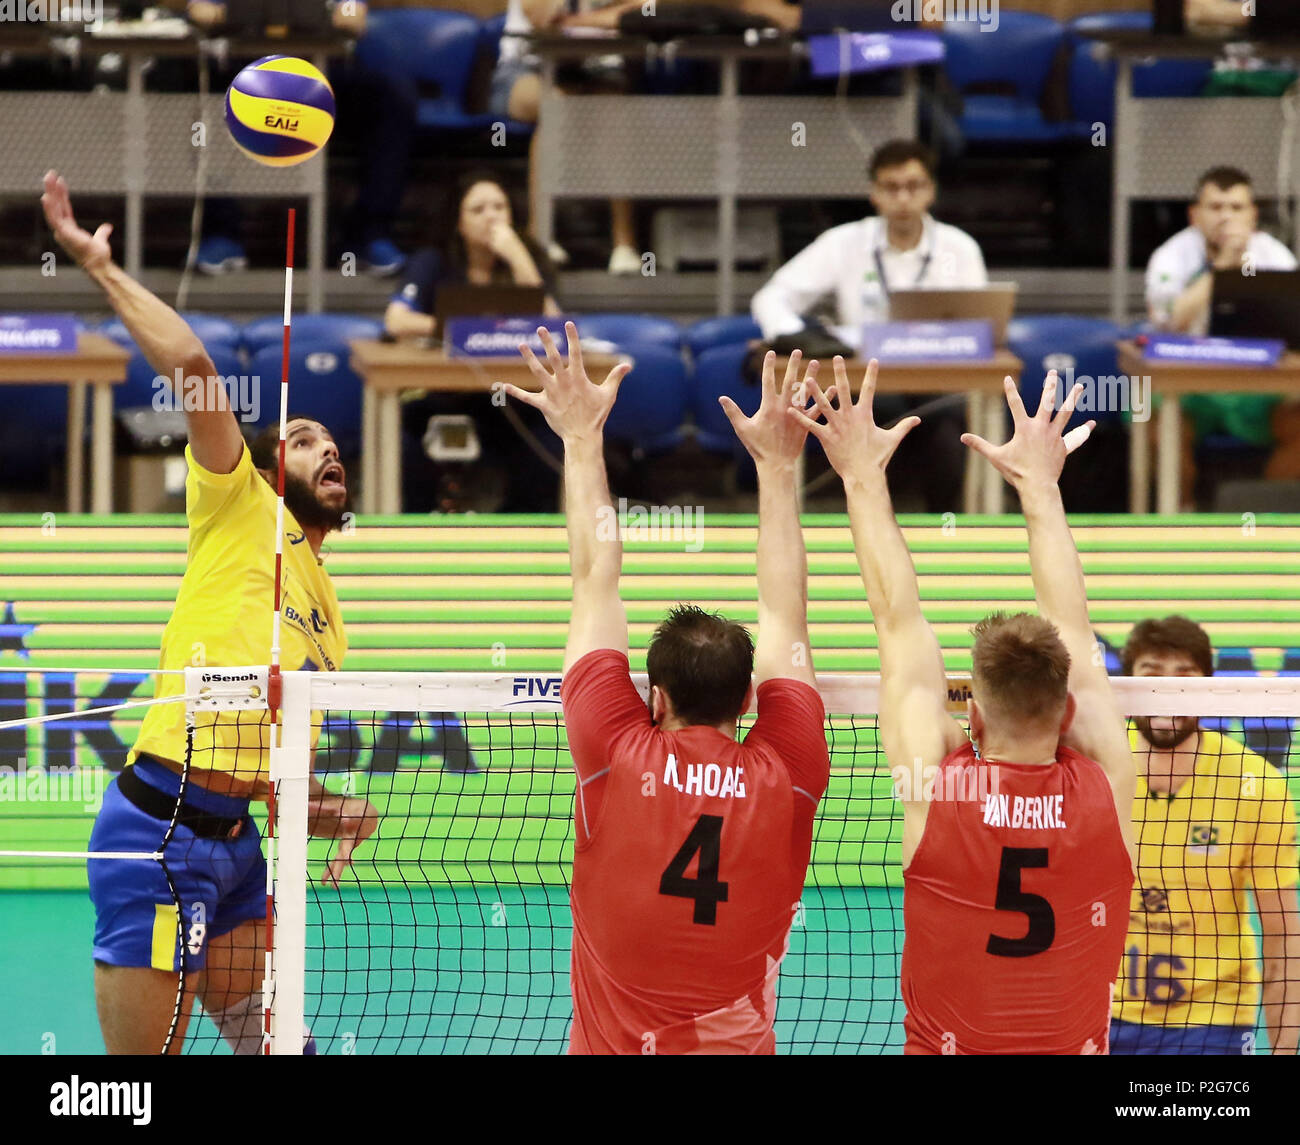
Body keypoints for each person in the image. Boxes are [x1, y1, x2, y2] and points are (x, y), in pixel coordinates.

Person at [41, 170, 377, 1054]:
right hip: (159, 831)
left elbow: (267, 750)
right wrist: (99, 268)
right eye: (305, 439)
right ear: (269, 464)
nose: (328, 448)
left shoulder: (329, 611)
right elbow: (193, 370)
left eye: (336, 445)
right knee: (140, 1082)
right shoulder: (239, 503)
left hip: (234, 849)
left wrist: (319, 802)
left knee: (273, 1043)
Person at [793, 360, 1137, 1053]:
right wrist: (1040, 487)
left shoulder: (937, 781)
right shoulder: (1105, 780)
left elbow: (898, 621)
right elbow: (1073, 626)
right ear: (1067, 712)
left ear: (971, 719)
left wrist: (861, 475)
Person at [505, 324, 830, 1054]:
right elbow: (786, 612)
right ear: (751, 701)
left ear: (653, 698)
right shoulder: (789, 769)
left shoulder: (614, 750)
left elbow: (596, 577)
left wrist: (582, 435)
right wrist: (780, 468)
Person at [752, 140, 987, 511]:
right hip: (864, 386)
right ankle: (866, 532)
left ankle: (946, 535)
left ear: (931, 191)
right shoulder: (844, 242)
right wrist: (800, 337)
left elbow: (980, 326)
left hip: (939, 383)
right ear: (874, 193)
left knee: (947, 427)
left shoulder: (960, 249)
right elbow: (770, 297)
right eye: (892, 187)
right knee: (867, 419)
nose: (903, 198)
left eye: (914, 186)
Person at [1111, 615, 1299, 1055]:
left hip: (1214, 1021)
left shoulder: (1255, 784)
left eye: (1184, 677)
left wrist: (1287, 1050)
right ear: (1127, 688)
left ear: (1207, 687)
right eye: (1151, 675)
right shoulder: (1091, 774)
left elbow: (1283, 940)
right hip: (1102, 1013)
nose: (1167, 691)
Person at [185, 0, 412, 276]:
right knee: (199, 99)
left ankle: (368, 235)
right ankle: (221, 233)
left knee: (393, 99)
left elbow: (354, 17)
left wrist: (334, 15)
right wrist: (226, 14)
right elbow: (199, 10)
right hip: (245, 71)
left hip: (323, 71)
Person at [385, 171, 561, 513]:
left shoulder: (529, 260)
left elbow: (553, 325)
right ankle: (414, 527)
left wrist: (518, 257)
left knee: (547, 442)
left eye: (500, 207)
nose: (492, 216)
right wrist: (463, 331)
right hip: (440, 395)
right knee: (404, 442)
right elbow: (396, 320)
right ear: (459, 222)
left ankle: (525, 538)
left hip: (508, 399)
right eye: (478, 209)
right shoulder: (433, 262)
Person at [1146, 166, 1299, 505]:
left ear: (1253, 215)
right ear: (1194, 214)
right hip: (1187, 388)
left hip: (1257, 390)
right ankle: (1180, 519)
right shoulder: (1170, 257)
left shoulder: (1276, 257)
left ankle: (1266, 515)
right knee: (1153, 420)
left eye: (1236, 208)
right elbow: (1170, 323)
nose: (1226, 218)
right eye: (1215, 208)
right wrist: (1223, 267)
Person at [492, 0, 641, 273]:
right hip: (527, 68)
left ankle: (624, 245)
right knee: (557, 106)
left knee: (616, 115)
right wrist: (595, 17)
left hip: (595, 70)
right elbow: (539, 16)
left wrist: (580, 21)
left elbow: (642, 11)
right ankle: (541, 235)